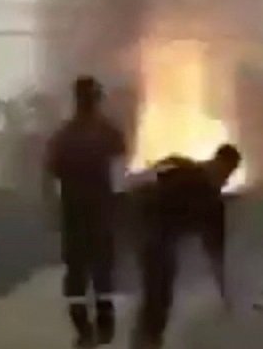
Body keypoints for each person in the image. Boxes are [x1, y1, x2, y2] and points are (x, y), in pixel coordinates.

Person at [130, 144, 242, 349]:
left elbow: (215, 249)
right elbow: (141, 185)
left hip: (161, 240)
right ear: (215, 162)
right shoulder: (181, 170)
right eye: (224, 170)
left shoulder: (212, 202)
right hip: (152, 235)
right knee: (156, 290)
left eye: (228, 173)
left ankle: (148, 339)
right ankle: (146, 340)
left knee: (161, 293)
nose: (224, 177)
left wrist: (224, 290)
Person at [43, 76, 127, 348]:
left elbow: (50, 176)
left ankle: (85, 331)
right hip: (100, 215)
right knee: (102, 271)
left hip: (74, 215)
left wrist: (51, 210)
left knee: (77, 274)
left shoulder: (63, 137)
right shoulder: (110, 134)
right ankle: (104, 327)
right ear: (96, 99)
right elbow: (119, 174)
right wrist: (121, 208)